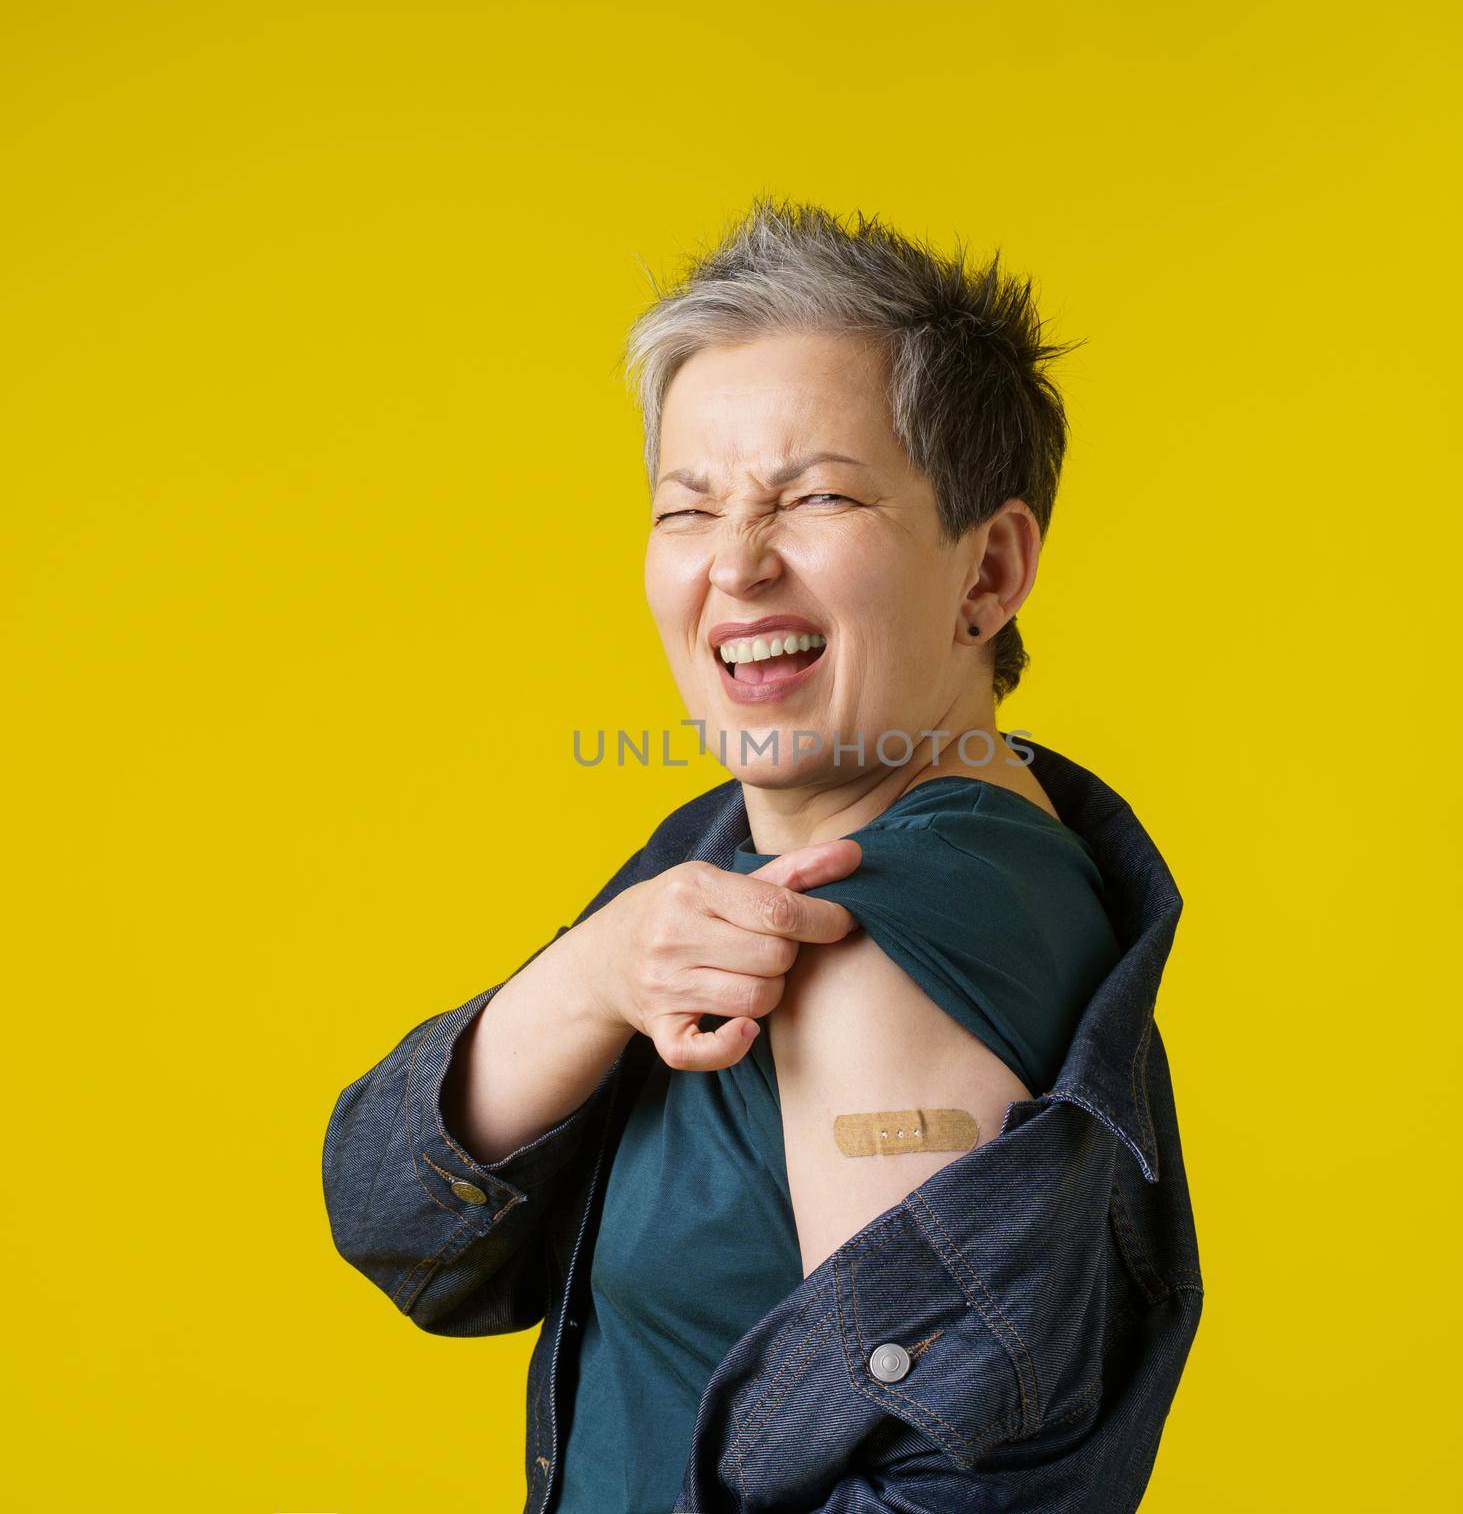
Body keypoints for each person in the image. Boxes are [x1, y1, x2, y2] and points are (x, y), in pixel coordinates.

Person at [322, 197, 1202, 1513]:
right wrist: (593, 973)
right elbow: (406, 1224)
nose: (735, 564)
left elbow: (942, 1496)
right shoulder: (721, 843)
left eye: (821, 495)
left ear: (990, 570)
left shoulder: (871, 929)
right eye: (687, 508)